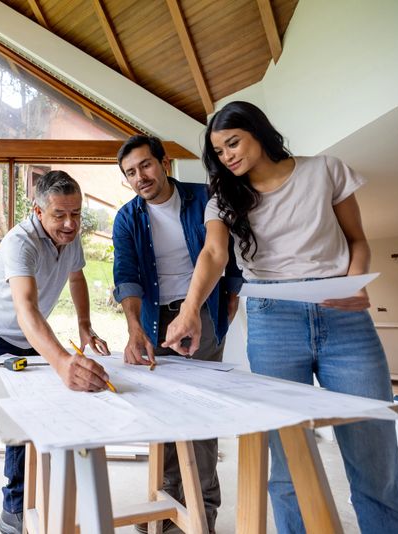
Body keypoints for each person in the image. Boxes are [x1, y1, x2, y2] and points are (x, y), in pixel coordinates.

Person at [163, 101, 398, 534]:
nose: (228, 157)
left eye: (233, 143)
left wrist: (355, 283)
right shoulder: (224, 196)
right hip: (272, 318)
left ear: (258, 132)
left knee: (376, 458)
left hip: (341, 315)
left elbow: (357, 240)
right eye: (219, 152)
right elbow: (213, 253)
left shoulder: (326, 170)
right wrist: (189, 312)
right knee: (288, 463)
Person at [0, 170, 111, 534]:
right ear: (38, 211)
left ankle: (16, 512)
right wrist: (61, 363)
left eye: (75, 213)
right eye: (60, 214)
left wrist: (84, 323)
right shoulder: (20, 242)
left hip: (29, 336)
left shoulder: (69, 236)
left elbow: (76, 276)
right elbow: (26, 308)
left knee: (25, 425)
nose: (70, 223)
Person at [112, 135, 242, 533]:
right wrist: (134, 329)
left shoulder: (205, 197)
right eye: (131, 173)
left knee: (200, 415)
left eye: (146, 166)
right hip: (153, 321)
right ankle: (167, 510)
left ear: (164, 162)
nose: (140, 177)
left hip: (199, 315)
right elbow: (126, 276)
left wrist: (226, 304)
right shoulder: (127, 218)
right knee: (161, 415)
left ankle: (202, 515)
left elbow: (229, 257)